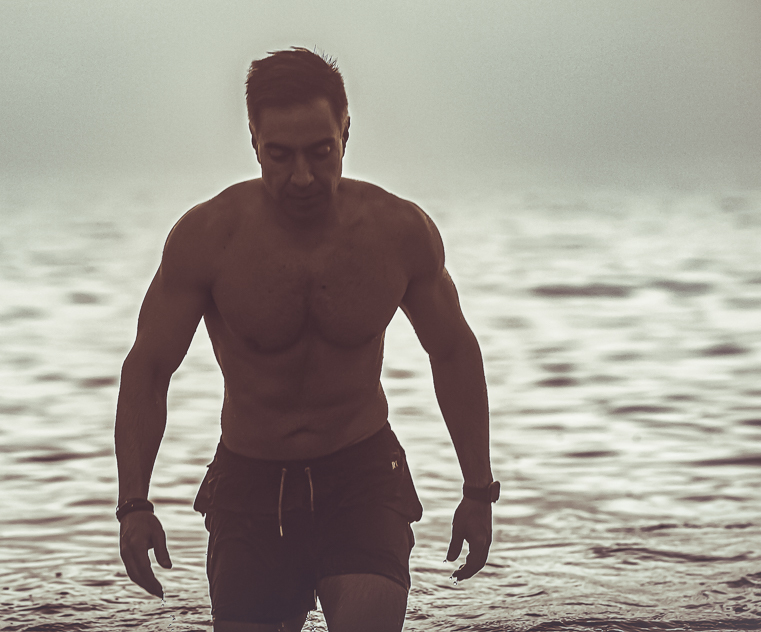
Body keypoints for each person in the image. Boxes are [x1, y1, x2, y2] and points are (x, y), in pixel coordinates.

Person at [114, 48, 496, 632]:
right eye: (279, 155)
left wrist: (477, 489)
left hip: (362, 475)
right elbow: (149, 368)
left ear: (346, 130)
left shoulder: (397, 232)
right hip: (250, 485)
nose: (303, 177)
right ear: (253, 140)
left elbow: (452, 352)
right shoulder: (207, 238)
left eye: (322, 152)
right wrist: (134, 505)